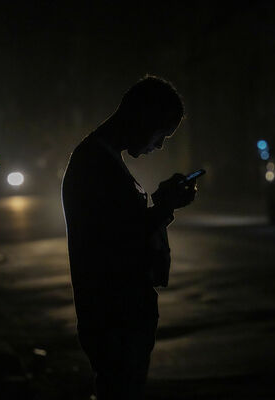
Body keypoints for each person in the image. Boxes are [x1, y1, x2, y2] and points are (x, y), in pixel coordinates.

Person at [61, 75, 197, 399]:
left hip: (120, 315)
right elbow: (117, 242)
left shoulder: (104, 159)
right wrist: (164, 207)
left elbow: (122, 226)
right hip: (114, 316)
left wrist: (161, 205)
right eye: (161, 132)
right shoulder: (95, 163)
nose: (160, 144)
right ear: (143, 117)